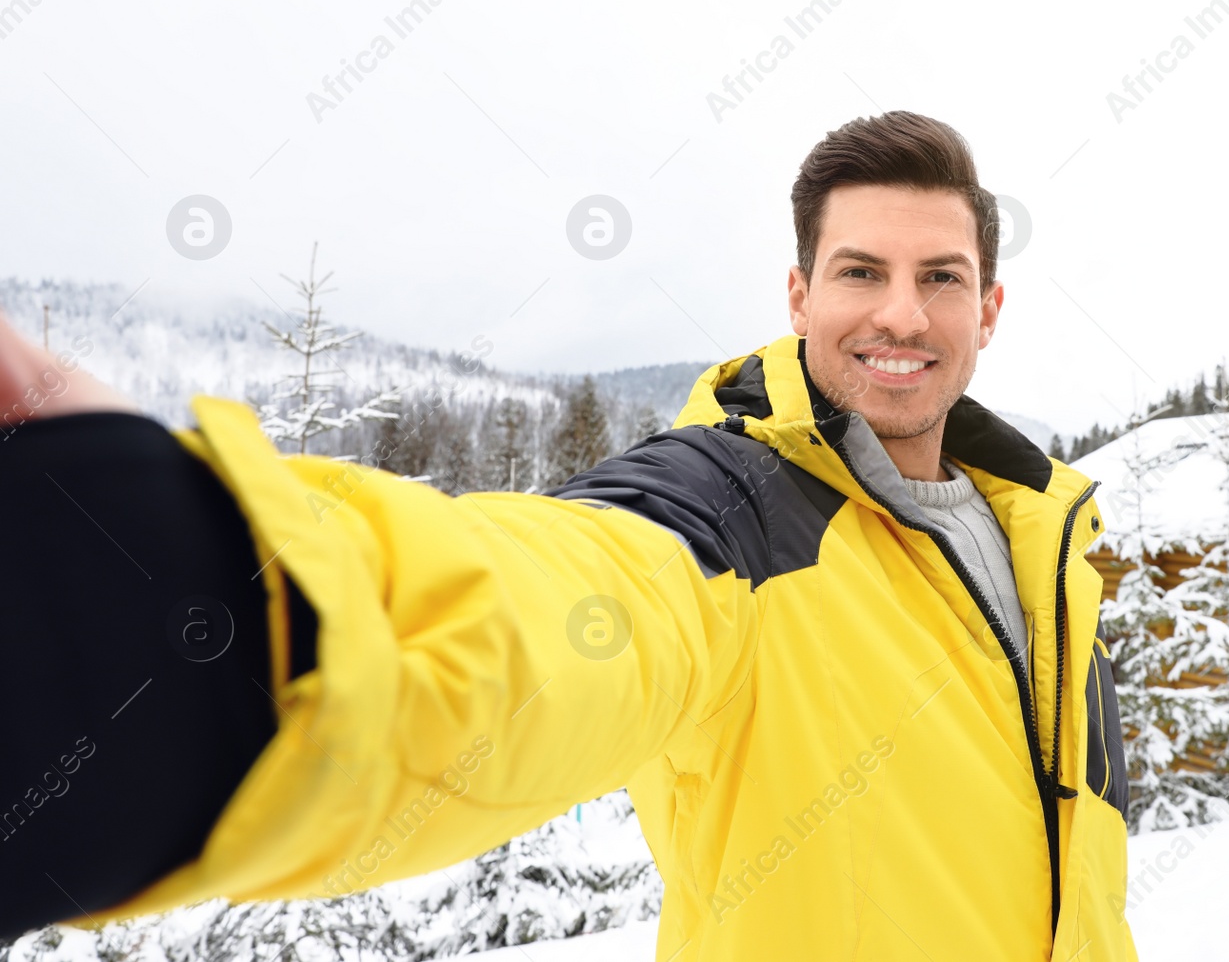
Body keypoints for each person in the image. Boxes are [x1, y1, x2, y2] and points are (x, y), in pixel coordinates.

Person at [0, 111, 1134, 960]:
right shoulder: (737, 512)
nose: (900, 312)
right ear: (797, 296)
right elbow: (546, 609)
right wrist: (189, 610)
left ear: (987, 307)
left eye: (941, 277)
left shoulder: (1044, 550)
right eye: (860, 272)